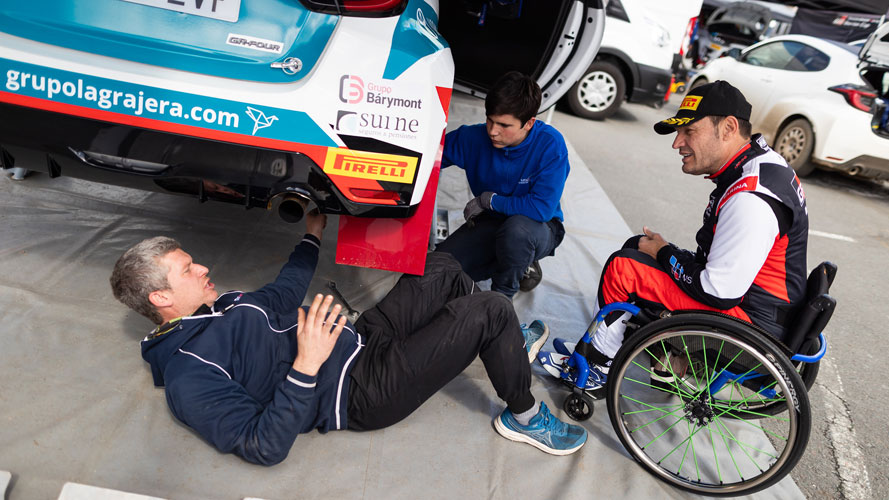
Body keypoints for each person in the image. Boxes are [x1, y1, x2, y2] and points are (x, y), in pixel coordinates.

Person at [109, 211, 586, 466]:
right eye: (189, 270)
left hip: (360, 340)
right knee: (490, 308)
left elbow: (283, 291)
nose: (204, 269)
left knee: (440, 267)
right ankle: (523, 415)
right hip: (358, 391)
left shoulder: (223, 303)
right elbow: (263, 446)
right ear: (160, 297)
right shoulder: (189, 374)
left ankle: (501, 347)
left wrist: (312, 235)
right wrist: (306, 366)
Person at [540, 80, 809, 396]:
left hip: (749, 331)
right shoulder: (764, 163)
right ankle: (635, 353)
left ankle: (598, 369)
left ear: (728, 128)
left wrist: (666, 253)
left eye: (689, 132)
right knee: (637, 248)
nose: (676, 143)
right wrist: (663, 253)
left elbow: (718, 291)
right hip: (761, 309)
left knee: (625, 266)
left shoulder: (751, 198)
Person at [436, 70, 569, 299]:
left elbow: (541, 208)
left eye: (504, 125)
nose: (492, 131)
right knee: (438, 270)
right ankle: (511, 259)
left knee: (517, 233)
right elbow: (428, 158)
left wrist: (489, 200)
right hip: (492, 221)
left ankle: (501, 299)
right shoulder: (473, 138)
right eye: (489, 120)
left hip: (539, 226)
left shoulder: (550, 145)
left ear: (529, 123)